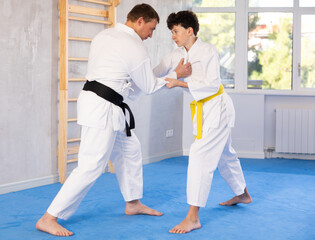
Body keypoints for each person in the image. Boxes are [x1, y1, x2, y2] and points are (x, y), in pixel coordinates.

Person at [36, 4, 191, 237]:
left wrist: (169, 71)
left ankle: (133, 202)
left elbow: (134, 77)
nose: (151, 35)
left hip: (105, 104)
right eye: (150, 29)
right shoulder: (133, 45)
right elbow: (147, 86)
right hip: (104, 108)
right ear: (140, 21)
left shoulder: (105, 34)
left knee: (130, 150)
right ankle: (49, 217)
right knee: (91, 165)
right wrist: (176, 75)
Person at [153, 11, 252, 234]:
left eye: (175, 31)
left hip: (217, 107)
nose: (173, 36)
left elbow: (211, 84)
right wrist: (137, 77)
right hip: (204, 109)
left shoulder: (208, 51)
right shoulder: (177, 54)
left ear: (189, 31)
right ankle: (243, 193)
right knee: (225, 154)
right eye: (171, 32)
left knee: (199, 155)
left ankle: (193, 217)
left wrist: (179, 82)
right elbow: (158, 71)